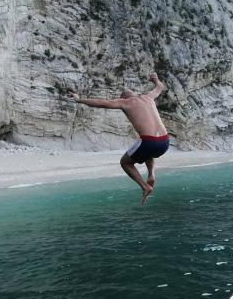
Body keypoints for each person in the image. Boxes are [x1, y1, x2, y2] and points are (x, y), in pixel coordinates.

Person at [70, 73, 169, 205]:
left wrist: (79, 100)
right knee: (147, 152)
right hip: (165, 142)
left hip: (149, 142)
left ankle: (145, 186)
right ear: (133, 94)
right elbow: (160, 87)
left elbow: (101, 103)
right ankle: (151, 174)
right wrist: (155, 79)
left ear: (123, 98)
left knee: (125, 163)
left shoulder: (125, 102)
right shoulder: (149, 97)